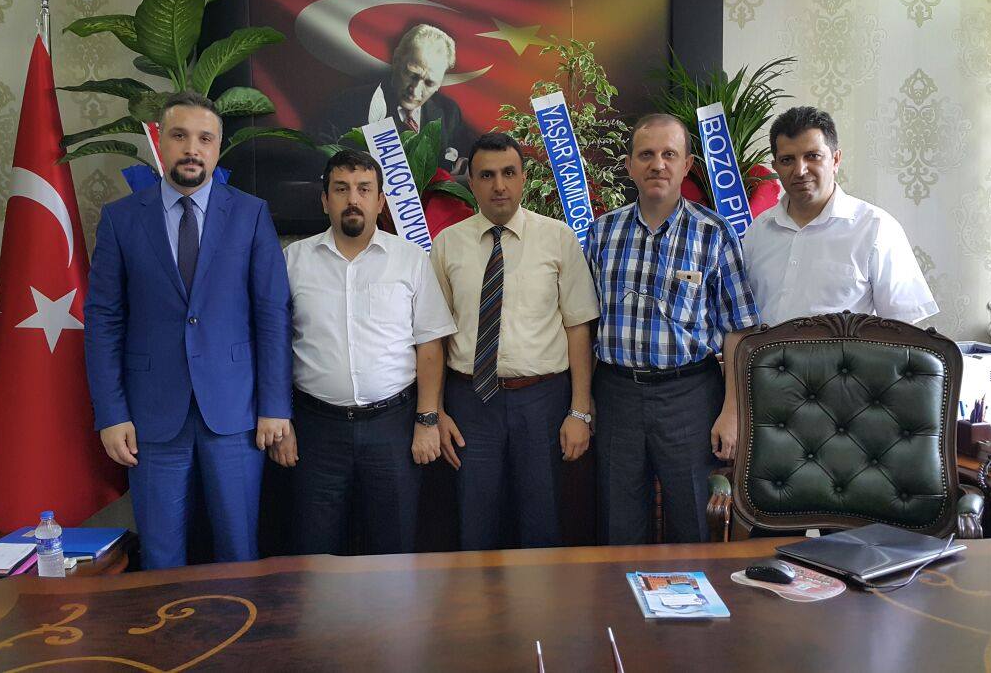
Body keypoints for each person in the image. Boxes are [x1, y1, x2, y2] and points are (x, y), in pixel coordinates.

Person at [83, 91, 293, 569]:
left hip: (236, 413)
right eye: (180, 136)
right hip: (151, 415)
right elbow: (103, 322)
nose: (192, 149)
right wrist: (111, 414)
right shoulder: (121, 219)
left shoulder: (250, 214)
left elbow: (273, 315)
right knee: (160, 558)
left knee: (239, 551)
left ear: (218, 148)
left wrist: (275, 405)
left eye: (205, 139)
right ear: (161, 141)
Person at [586, 114, 760, 545]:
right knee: (618, 523)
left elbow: (738, 329)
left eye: (669, 154)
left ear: (687, 165)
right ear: (629, 166)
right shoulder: (602, 233)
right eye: (646, 155)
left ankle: (692, 594)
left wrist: (732, 411)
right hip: (617, 394)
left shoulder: (714, 233)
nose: (657, 164)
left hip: (690, 396)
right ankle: (623, 593)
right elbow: (585, 323)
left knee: (693, 520)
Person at [279, 149, 456, 555]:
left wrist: (427, 420)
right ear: (325, 200)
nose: (353, 199)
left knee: (394, 550)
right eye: (341, 189)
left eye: (364, 189)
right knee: (315, 551)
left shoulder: (410, 260)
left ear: (380, 201)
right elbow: (275, 345)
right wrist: (282, 421)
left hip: (392, 427)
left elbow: (430, 344)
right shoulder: (293, 261)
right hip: (316, 429)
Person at [430, 132, 600, 550]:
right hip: (470, 402)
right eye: (487, 175)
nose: (499, 185)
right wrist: (435, 412)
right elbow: (433, 335)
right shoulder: (447, 243)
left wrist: (580, 411)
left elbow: (578, 327)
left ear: (524, 178)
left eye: (509, 173)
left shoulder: (558, 238)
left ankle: (538, 597)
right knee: (475, 525)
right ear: (472, 182)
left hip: (541, 402)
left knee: (541, 523)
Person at [742, 106, 938, 326]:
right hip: (764, 350)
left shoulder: (876, 228)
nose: (800, 170)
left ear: (835, 160)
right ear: (775, 167)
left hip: (848, 351)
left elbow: (902, 327)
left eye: (812, 156)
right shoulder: (758, 231)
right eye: (787, 160)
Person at [317, 24, 474, 169]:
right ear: (396, 59)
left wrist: (462, 165)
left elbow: (471, 157)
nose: (415, 91)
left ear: (440, 82)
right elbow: (317, 155)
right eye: (412, 74)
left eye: (429, 83)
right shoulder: (349, 104)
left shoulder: (449, 112)